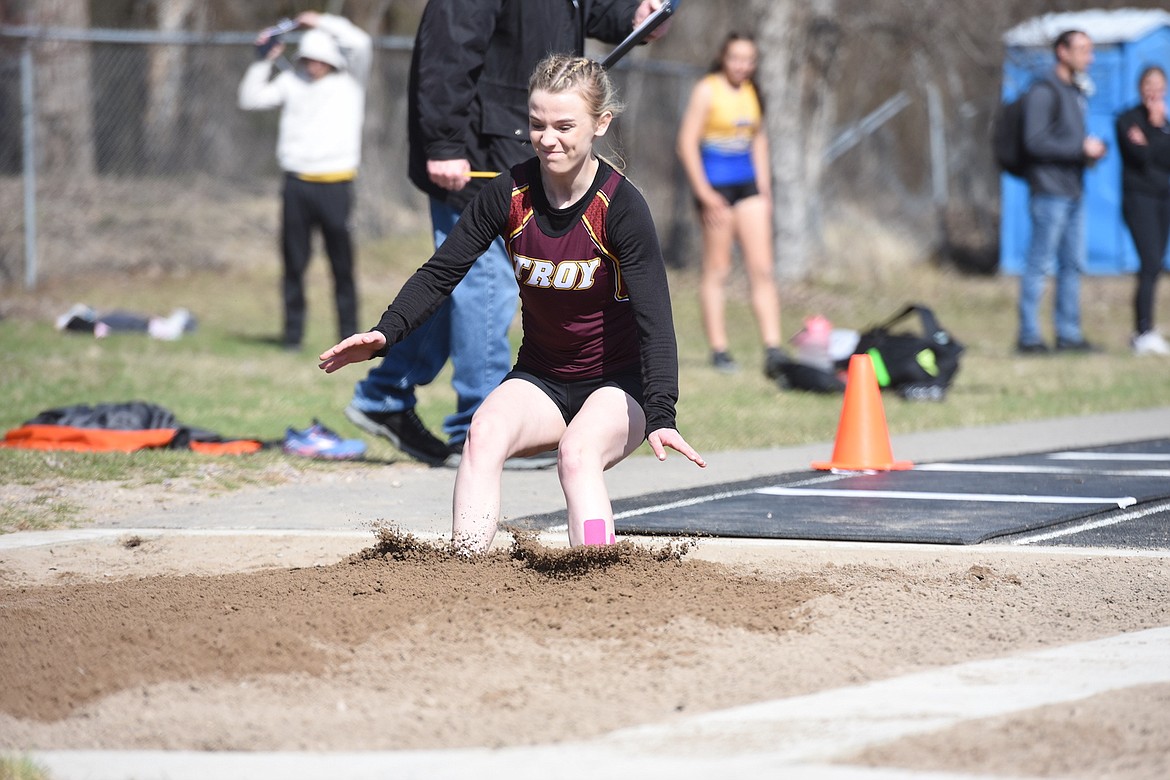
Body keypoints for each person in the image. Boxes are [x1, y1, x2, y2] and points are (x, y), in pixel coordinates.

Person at [320, 54, 706, 553]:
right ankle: (465, 571)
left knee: (578, 453)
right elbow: (442, 271)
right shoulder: (510, 192)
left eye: (565, 126)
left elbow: (656, 319)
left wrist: (661, 413)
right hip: (541, 379)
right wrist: (385, 334)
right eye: (537, 124)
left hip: (617, 385)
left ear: (600, 123)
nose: (549, 140)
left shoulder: (621, 206)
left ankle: (599, 573)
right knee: (481, 434)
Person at [344, 0, 669, 469]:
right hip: (474, 154)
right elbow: (446, 49)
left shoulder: (617, 198)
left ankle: (385, 392)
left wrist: (634, 17)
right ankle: (477, 425)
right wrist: (443, 142)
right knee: (484, 286)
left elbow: (583, 13)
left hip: (519, 145)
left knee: (469, 289)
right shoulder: (508, 172)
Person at [238, 12, 371, 351]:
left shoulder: (350, 82)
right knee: (294, 263)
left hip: (336, 185)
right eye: (308, 59)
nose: (313, 66)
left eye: (320, 59)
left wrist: (320, 21)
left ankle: (349, 335)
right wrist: (261, 62)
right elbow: (251, 99)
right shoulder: (291, 82)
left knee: (342, 265)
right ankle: (292, 336)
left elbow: (361, 42)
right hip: (297, 184)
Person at [676, 32, 787, 378]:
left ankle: (773, 348)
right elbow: (686, 143)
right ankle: (719, 349)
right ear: (724, 57)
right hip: (716, 189)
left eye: (748, 59)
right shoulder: (707, 90)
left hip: (749, 188)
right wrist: (705, 193)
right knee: (718, 270)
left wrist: (765, 190)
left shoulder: (754, 92)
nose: (742, 65)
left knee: (762, 269)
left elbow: (759, 141)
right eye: (736, 57)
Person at [1016, 29, 1107, 355]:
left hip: (1073, 191)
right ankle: (1029, 337)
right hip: (1048, 192)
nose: (1090, 57)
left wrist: (1091, 151)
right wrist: (1079, 147)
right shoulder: (1044, 91)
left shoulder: (1076, 91)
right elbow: (1034, 141)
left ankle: (1068, 334)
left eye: (1091, 50)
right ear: (1062, 52)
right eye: (1083, 49)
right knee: (1039, 264)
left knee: (1072, 265)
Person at [1116, 65, 1170, 356]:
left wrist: (1157, 131)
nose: (1154, 90)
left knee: (1156, 263)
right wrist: (1153, 128)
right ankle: (1143, 330)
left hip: (1164, 198)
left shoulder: (1165, 123)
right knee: (1149, 262)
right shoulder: (1128, 119)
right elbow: (1142, 157)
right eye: (1149, 84)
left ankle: (1147, 327)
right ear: (1140, 87)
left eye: (1159, 85)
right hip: (1139, 199)